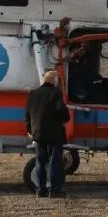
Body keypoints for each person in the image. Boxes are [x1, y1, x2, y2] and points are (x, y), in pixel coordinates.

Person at [24, 70, 69, 199]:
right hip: (54, 134)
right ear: (54, 81)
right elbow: (63, 112)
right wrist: (65, 119)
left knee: (40, 162)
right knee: (54, 162)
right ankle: (54, 191)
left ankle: (40, 190)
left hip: (37, 134)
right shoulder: (55, 93)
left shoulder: (33, 94)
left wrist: (30, 131)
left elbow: (27, 115)